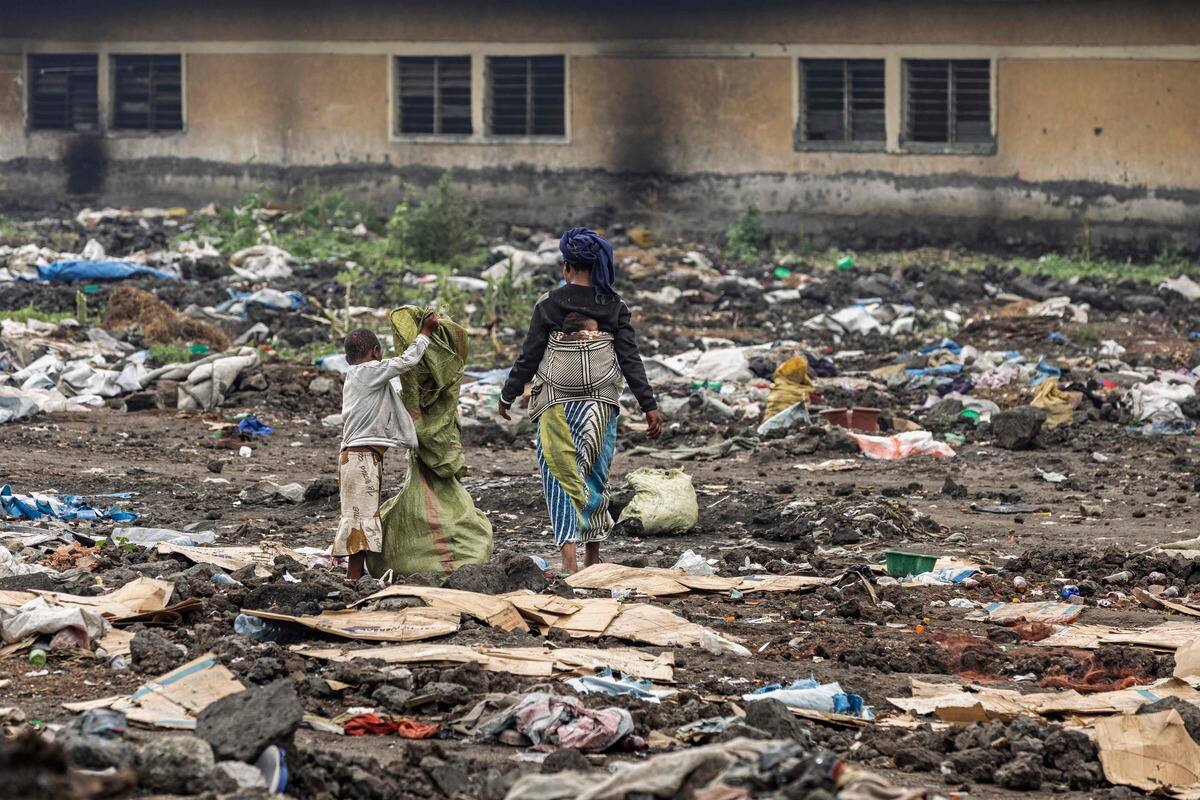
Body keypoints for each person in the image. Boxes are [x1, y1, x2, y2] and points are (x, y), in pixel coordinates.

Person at [499, 227, 662, 573]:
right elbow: (630, 359)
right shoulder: (615, 306)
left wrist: (508, 393)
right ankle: (592, 557)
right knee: (594, 475)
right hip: (602, 407)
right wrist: (649, 406)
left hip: (556, 405)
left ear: (568, 267)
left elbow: (529, 356)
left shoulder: (550, 304)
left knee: (560, 476)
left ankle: (569, 561)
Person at [336, 314, 438, 580]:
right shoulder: (368, 371)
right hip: (360, 460)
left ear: (347, 359)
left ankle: (357, 577)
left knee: (363, 516)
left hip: (362, 459)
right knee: (360, 521)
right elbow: (406, 362)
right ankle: (353, 580)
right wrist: (425, 333)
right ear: (376, 352)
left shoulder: (360, 376)